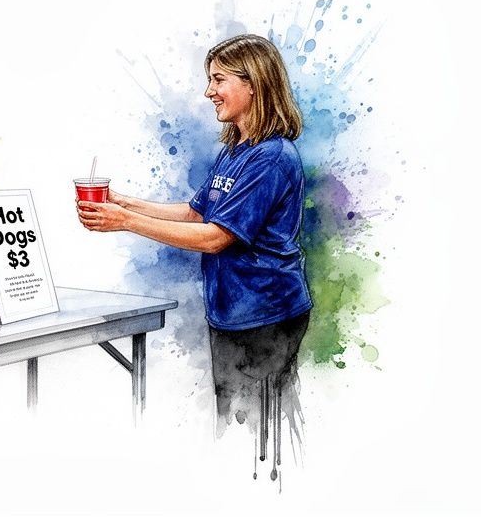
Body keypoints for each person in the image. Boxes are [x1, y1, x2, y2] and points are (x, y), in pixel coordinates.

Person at [77, 34, 311, 476]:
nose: (208, 92)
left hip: (266, 316)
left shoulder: (273, 157)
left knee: (253, 432)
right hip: (232, 312)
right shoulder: (235, 150)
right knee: (238, 421)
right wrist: (123, 202)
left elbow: (215, 237)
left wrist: (124, 222)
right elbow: (195, 211)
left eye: (219, 80)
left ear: (254, 84)